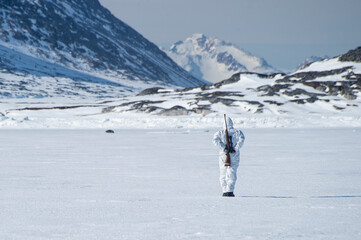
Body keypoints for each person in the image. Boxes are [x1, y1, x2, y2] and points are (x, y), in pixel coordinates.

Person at [213, 116, 245, 197]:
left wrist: (223, 148)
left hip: (223, 156)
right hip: (234, 155)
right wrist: (235, 149)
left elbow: (215, 140)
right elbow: (242, 139)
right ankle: (230, 190)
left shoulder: (219, 133)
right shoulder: (238, 132)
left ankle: (225, 190)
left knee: (223, 173)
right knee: (232, 173)